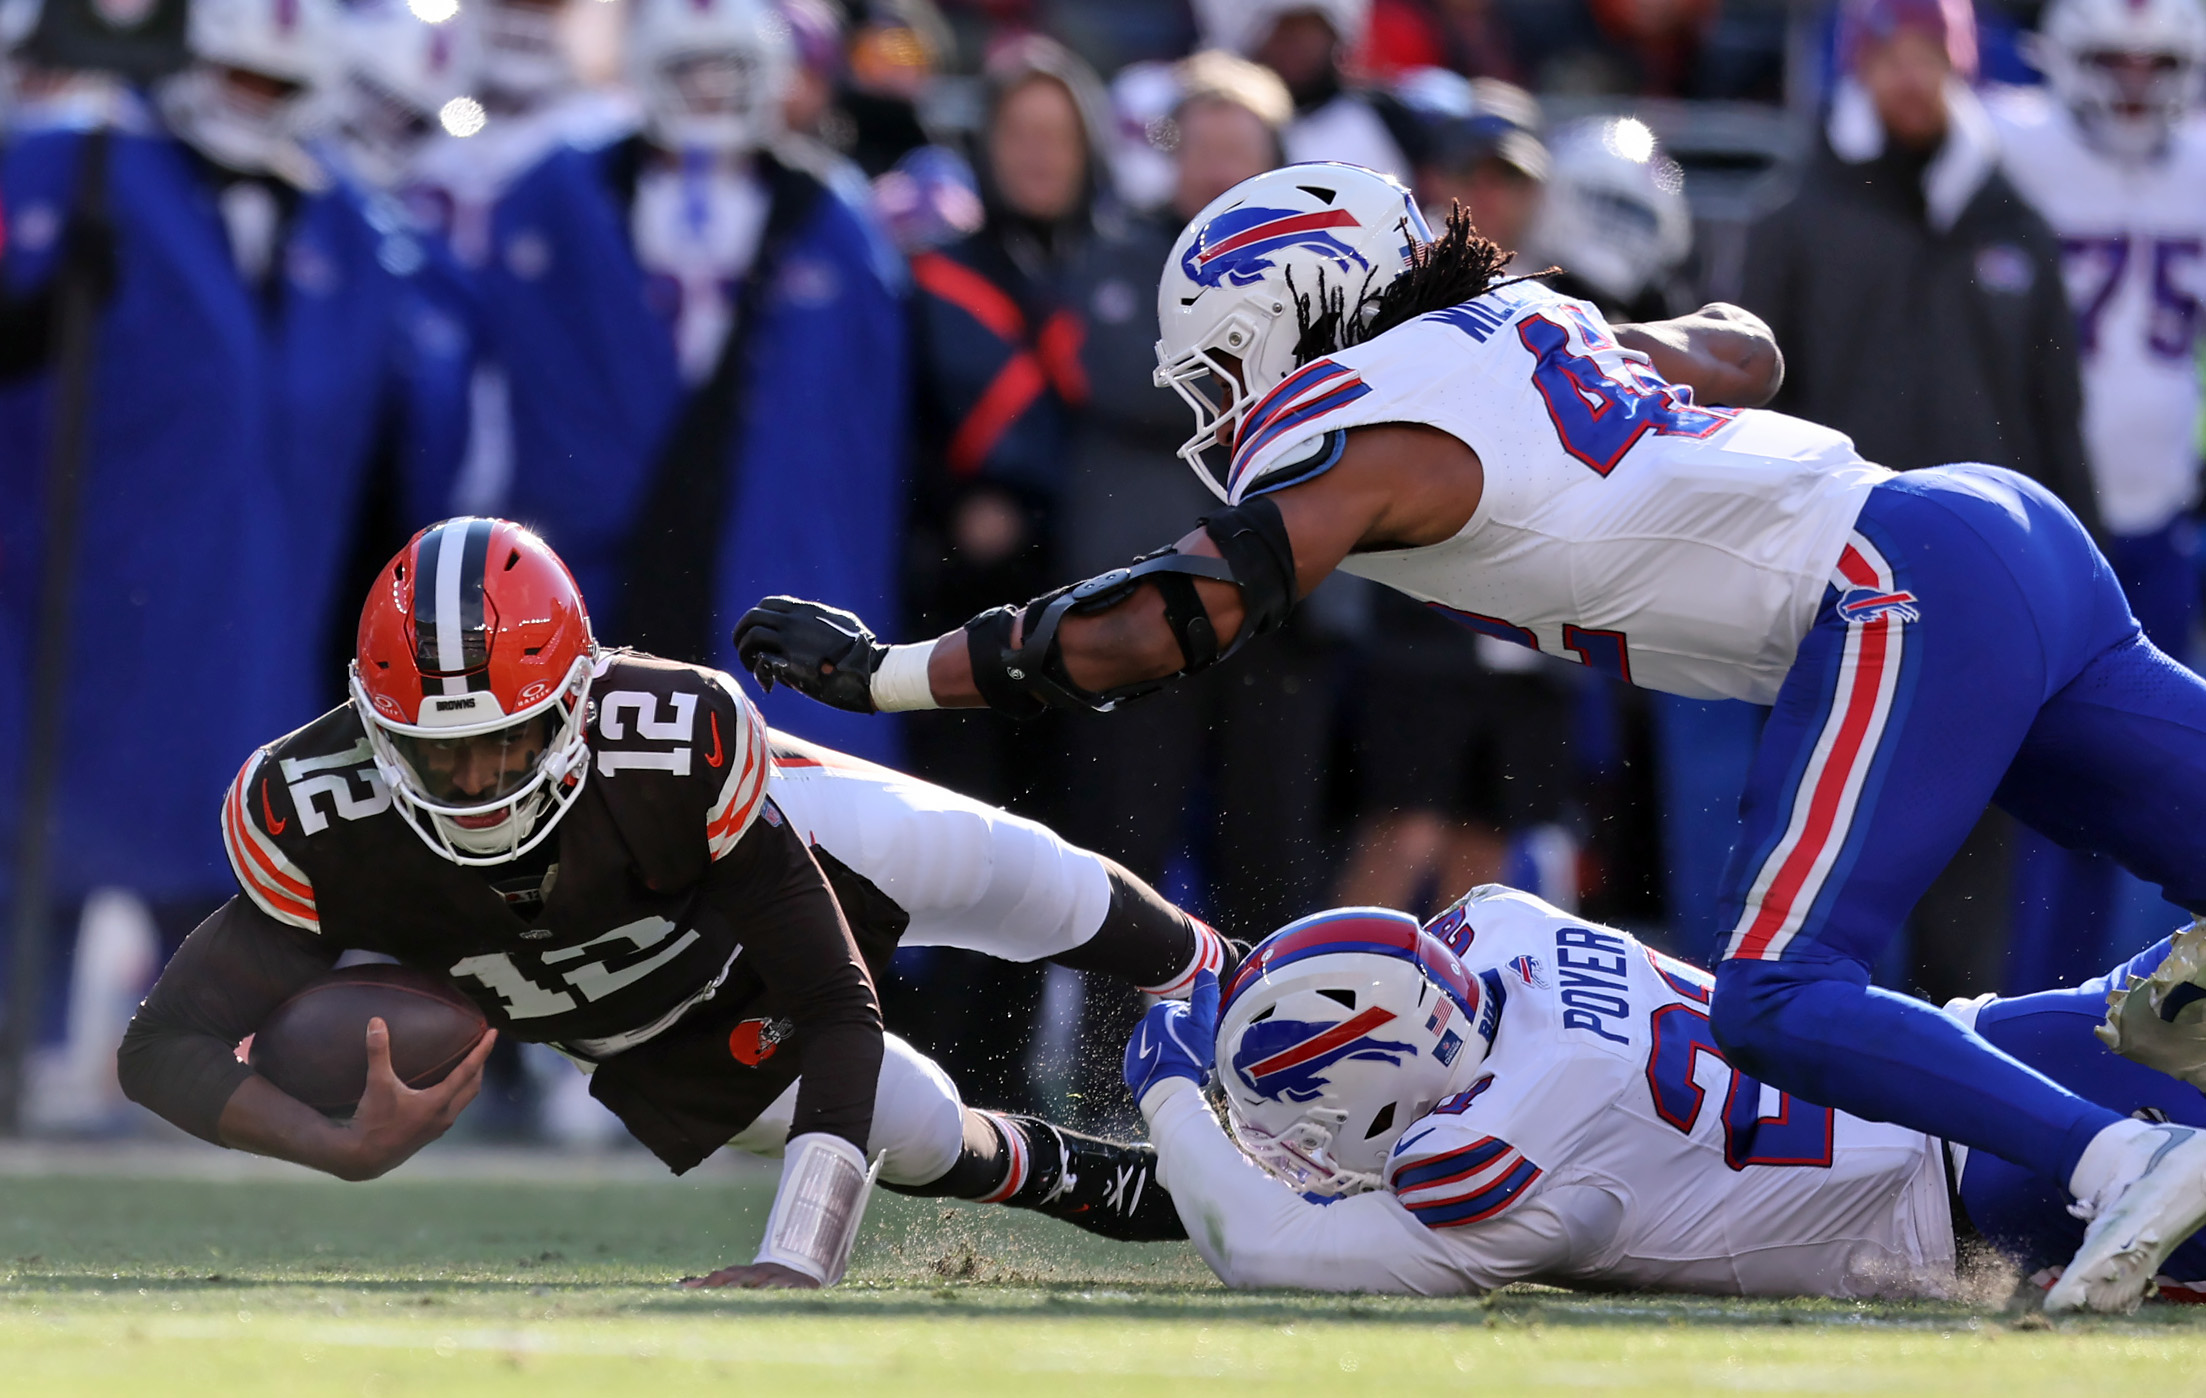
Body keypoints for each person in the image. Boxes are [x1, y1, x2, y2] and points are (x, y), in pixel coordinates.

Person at [734, 158, 2206, 1311]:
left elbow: (1163, 620)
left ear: (1287, 305)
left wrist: (890, 676)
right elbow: (1743, 351)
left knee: (1773, 997)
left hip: (1888, 586)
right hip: (1998, 533)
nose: (1222, 404)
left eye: (1220, 363)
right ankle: (2151, 1031)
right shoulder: (1517, 329)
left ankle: (2118, 1155)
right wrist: (1595, 349)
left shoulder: (1358, 416)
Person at [117, 518, 1222, 1289]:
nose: (474, 783)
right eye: (435, 751)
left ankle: (1246, 977)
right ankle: (1105, 1182)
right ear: (373, 727)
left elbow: (836, 1001)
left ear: (578, 699)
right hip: (648, 1018)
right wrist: (333, 1145)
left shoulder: (670, 743)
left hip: (746, 853)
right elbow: (163, 1045)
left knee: (1002, 866)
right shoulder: (317, 812)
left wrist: (798, 1255)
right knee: (918, 1131)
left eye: (505, 741)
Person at [1120, 889, 2206, 1300]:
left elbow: (1261, 1246)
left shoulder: (1483, 1155)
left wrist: (1169, 1091)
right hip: (1993, 1039)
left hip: (2002, 1192)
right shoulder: (1503, 930)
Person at [1986, 0, 2206, 993]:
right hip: (2037, 513)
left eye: (2152, 61)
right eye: (2110, 58)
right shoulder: (2012, 142)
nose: (2130, 81)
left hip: (2160, 518)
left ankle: (2096, 1018)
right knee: (2015, 786)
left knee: (2127, 794)